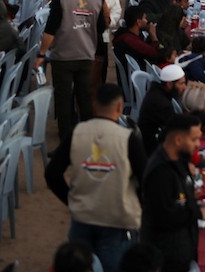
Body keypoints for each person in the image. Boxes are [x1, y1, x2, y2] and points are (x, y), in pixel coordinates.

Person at [45, 83, 145, 272]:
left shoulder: (76, 133)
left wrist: (71, 200)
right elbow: (145, 179)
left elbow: (52, 174)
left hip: (82, 218)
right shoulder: (128, 138)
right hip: (116, 221)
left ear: (94, 104)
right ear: (119, 107)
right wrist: (135, 203)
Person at [35, 0, 106, 136]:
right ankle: (87, 135)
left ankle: (65, 139)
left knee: (63, 98)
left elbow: (50, 29)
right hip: (86, 56)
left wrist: (41, 54)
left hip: (63, 57)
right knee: (85, 97)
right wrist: (98, 54)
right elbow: (102, 29)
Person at [140, 114, 201, 272]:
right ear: (178, 140)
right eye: (194, 139)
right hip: (166, 258)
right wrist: (199, 212)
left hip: (180, 252)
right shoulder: (160, 172)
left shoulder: (178, 161)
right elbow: (165, 218)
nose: (198, 144)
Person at [137, 64, 187, 155]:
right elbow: (177, 128)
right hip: (153, 151)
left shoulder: (158, 91)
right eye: (181, 84)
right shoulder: (161, 103)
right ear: (169, 84)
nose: (184, 88)